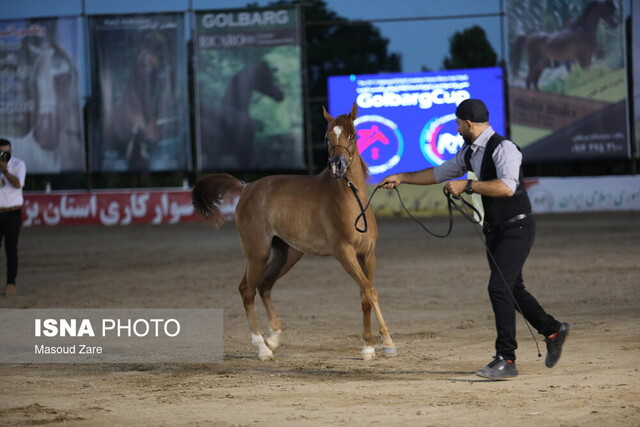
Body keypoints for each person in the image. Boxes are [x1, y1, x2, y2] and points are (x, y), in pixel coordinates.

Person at [379, 99, 569, 380]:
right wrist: (401, 177)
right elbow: (438, 173)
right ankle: (553, 330)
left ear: (468, 123)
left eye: (457, 124)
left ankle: (506, 358)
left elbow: (507, 187)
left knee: (498, 288)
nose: (455, 129)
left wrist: (467, 185)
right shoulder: (469, 152)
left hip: (517, 228)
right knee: (511, 289)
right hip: (494, 230)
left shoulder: (505, 148)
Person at [0, 138, 26, 296]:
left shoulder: (18, 164)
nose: (3, 155)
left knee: (11, 248)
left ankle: (11, 282)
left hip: (12, 212)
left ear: (11, 152)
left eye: (6, 152)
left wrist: (4, 170)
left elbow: (18, 184)